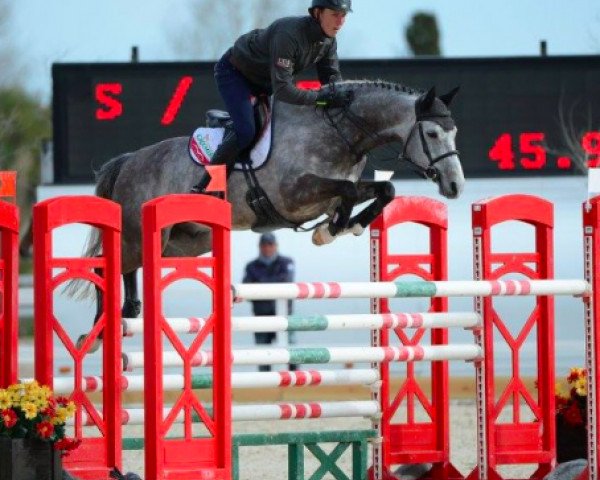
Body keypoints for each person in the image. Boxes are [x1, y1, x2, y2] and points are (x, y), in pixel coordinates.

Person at [191, 0, 354, 195]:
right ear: (317, 13)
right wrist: (322, 99)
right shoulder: (289, 35)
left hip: (263, 82)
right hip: (235, 74)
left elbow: (332, 83)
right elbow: (284, 91)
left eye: (344, 15)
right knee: (246, 131)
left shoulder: (329, 41)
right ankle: (205, 187)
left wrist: (345, 99)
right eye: (335, 14)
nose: (341, 21)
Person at [243, 233, 296, 372]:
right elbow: (246, 290)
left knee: (291, 352)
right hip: (261, 317)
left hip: (284, 317)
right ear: (259, 247)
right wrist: (271, 283)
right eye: (264, 245)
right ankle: (264, 384)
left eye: (270, 244)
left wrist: (259, 284)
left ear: (276, 246)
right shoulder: (251, 266)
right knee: (263, 354)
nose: (267, 248)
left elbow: (286, 282)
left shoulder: (286, 262)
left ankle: (295, 383)